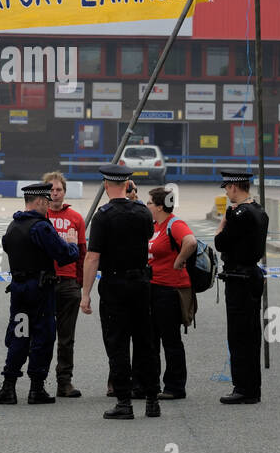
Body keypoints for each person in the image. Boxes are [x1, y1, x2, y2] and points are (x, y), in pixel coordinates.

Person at [0, 182, 80, 405]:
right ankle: (36, 387)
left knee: (19, 335)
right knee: (43, 336)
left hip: (19, 290)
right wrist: (72, 245)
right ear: (39, 201)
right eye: (47, 202)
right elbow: (63, 254)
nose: (48, 206)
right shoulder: (41, 227)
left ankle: (8, 386)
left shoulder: (13, 226)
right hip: (40, 290)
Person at [81, 164, 158, 420]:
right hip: (141, 284)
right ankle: (152, 399)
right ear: (128, 185)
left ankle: (124, 402)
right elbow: (147, 237)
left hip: (115, 286)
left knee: (118, 343)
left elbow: (93, 257)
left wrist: (86, 293)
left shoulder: (103, 216)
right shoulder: (143, 213)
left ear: (106, 186)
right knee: (145, 342)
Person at [212, 169, 269, 405]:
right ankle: (252, 386)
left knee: (238, 335)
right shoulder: (259, 210)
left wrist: (224, 221)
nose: (226, 192)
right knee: (252, 334)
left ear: (234, 187)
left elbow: (219, 242)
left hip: (239, 277)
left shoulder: (239, 214)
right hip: (252, 274)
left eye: (226, 188)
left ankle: (242, 388)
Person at [145, 187, 197, 400]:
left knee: (170, 339)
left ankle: (175, 386)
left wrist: (179, 260)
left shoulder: (174, 224)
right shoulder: (154, 226)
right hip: (153, 287)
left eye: (149, 202)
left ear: (158, 206)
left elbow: (190, 241)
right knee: (151, 339)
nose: (146, 205)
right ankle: (152, 383)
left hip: (170, 290)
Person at [42, 171, 87, 398]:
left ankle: (64, 382)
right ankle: (38, 382)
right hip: (45, 284)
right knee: (42, 335)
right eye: (50, 189)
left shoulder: (76, 218)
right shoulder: (40, 216)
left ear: (65, 192)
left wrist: (80, 284)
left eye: (58, 189)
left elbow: (82, 254)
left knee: (66, 338)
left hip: (69, 284)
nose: (55, 193)